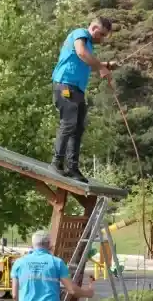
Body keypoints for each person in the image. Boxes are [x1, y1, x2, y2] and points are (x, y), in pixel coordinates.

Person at [50, 17, 116, 183]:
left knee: (78, 127)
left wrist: (105, 64)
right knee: (68, 123)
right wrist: (100, 67)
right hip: (65, 85)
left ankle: (72, 167)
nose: (101, 39)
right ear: (93, 28)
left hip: (76, 89)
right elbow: (81, 53)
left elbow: (85, 60)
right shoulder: (80, 34)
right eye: (101, 34)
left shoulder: (88, 46)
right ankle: (56, 162)